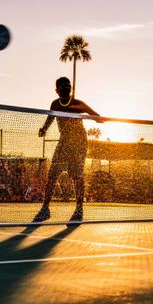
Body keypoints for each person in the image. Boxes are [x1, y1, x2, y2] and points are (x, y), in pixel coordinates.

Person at [33, 77, 100, 223]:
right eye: (62, 87)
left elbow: (96, 116)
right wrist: (43, 129)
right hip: (64, 142)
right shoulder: (55, 104)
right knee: (53, 174)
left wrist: (99, 118)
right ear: (57, 90)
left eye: (67, 86)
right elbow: (50, 118)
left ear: (70, 89)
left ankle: (79, 209)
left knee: (77, 176)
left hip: (79, 142)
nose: (65, 88)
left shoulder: (78, 104)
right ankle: (45, 209)